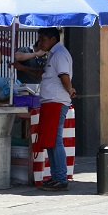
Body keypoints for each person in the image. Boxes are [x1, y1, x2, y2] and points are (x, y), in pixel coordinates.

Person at [36, 27, 75, 191]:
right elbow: (46, 74)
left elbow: (64, 76)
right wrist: (22, 68)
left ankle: (60, 178)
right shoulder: (52, 54)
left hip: (56, 102)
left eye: (43, 39)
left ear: (53, 39)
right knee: (50, 141)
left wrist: (70, 90)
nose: (40, 42)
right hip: (49, 102)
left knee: (56, 140)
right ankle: (55, 176)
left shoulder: (60, 54)